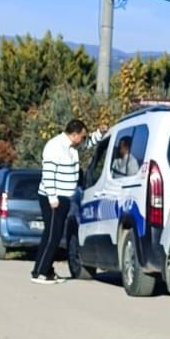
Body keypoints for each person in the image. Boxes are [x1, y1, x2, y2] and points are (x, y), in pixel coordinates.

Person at [32, 119, 106, 284]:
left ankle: (45, 270)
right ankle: (40, 273)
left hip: (63, 197)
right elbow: (49, 173)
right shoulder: (55, 146)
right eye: (82, 136)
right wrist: (52, 197)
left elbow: (88, 144)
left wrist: (100, 133)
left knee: (53, 235)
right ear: (74, 135)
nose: (83, 139)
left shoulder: (72, 147)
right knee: (53, 236)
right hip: (53, 198)